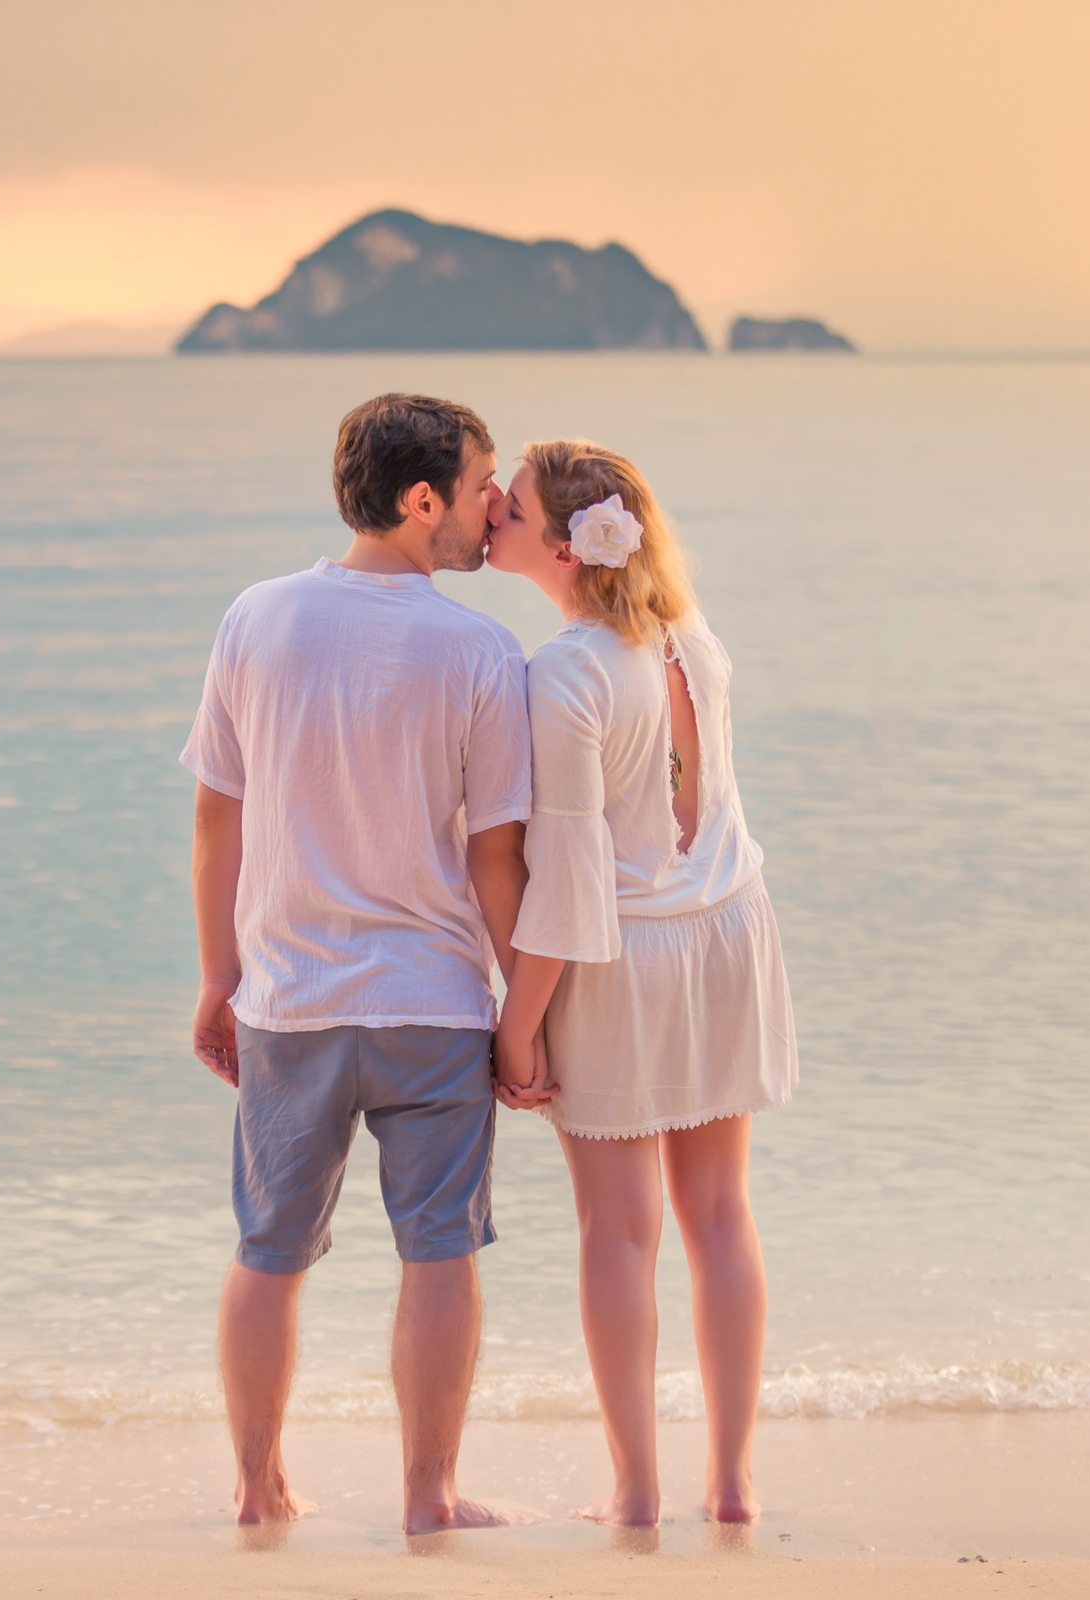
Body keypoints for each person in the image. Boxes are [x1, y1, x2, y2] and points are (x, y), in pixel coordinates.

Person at [182, 393, 536, 1533]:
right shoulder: (484, 647)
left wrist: (217, 977)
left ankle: (256, 1486)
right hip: (432, 1004)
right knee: (439, 1252)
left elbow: (215, 822)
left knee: (269, 1248)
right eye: (482, 486)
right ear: (421, 499)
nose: (497, 508)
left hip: (289, 999)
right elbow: (497, 860)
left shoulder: (257, 616)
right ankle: (429, 1498)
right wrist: (524, 1013)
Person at [483, 439, 798, 1528]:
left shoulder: (560, 675)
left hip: (626, 963)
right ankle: (731, 1483)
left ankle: (637, 1489)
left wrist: (513, 1027)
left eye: (509, 506)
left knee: (619, 1233)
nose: (491, 514)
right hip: (728, 934)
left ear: (565, 547)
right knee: (720, 1216)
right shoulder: (689, 638)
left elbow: (568, 885)